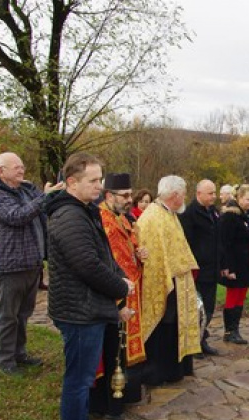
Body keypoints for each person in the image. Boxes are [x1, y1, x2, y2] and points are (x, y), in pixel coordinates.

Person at [46, 152, 135, 420]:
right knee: (79, 381)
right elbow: (87, 265)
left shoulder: (86, 210)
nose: (99, 186)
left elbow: (103, 256)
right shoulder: (69, 216)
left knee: (82, 379)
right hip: (79, 311)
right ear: (72, 182)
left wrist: (120, 275)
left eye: (100, 180)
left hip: (88, 307)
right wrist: (120, 287)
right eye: (93, 180)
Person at [0, 152, 64, 375]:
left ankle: (19, 353)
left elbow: (45, 207)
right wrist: (44, 198)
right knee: (8, 315)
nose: (21, 170)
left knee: (23, 314)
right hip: (12, 264)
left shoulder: (26, 189)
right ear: (1, 172)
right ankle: (4, 360)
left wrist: (55, 193)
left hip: (33, 262)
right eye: (16, 167)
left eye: (22, 166)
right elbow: (17, 216)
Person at [90, 173, 149, 419]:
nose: (129, 200)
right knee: (110, 350)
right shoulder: (102, 219)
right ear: (109, 195)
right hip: (111, 293)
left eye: (129, 194)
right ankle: (105, 404)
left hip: (128, 289)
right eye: (124, 195)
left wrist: (140, 255)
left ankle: (119, 397)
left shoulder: (123, 218)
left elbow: (130, 252)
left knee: (120, 349)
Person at [135, 175, 201, 386]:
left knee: (173, 325)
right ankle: (157, 372)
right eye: (183, 194)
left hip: (177, 282)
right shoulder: (152, 217)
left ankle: (174, 370)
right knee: (164, 325)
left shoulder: (169, 213)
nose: (184, 198)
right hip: (162, 283)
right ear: (174, 195)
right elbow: (153, 254)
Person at [179, 179, 221, 357]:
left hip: (213, 268)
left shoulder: (213, 212)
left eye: (214, 193)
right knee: (197, 309)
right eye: (210, 193)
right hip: (198, 270)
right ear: (199, 194)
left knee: (209, 308)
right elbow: (185, 243)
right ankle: (193, 344)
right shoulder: (189, 214)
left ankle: (202, 339)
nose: (214, 196)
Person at [218, 184, 249, 345]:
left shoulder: (247, 216)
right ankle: (229, 331)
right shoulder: (230, 216)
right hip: (234, 263)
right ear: (238, 198)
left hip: (246, 263)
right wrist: (228, 267)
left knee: (241, 296)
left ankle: (235, 328)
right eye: (248, 199)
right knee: (233, 295)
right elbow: (225, 243)